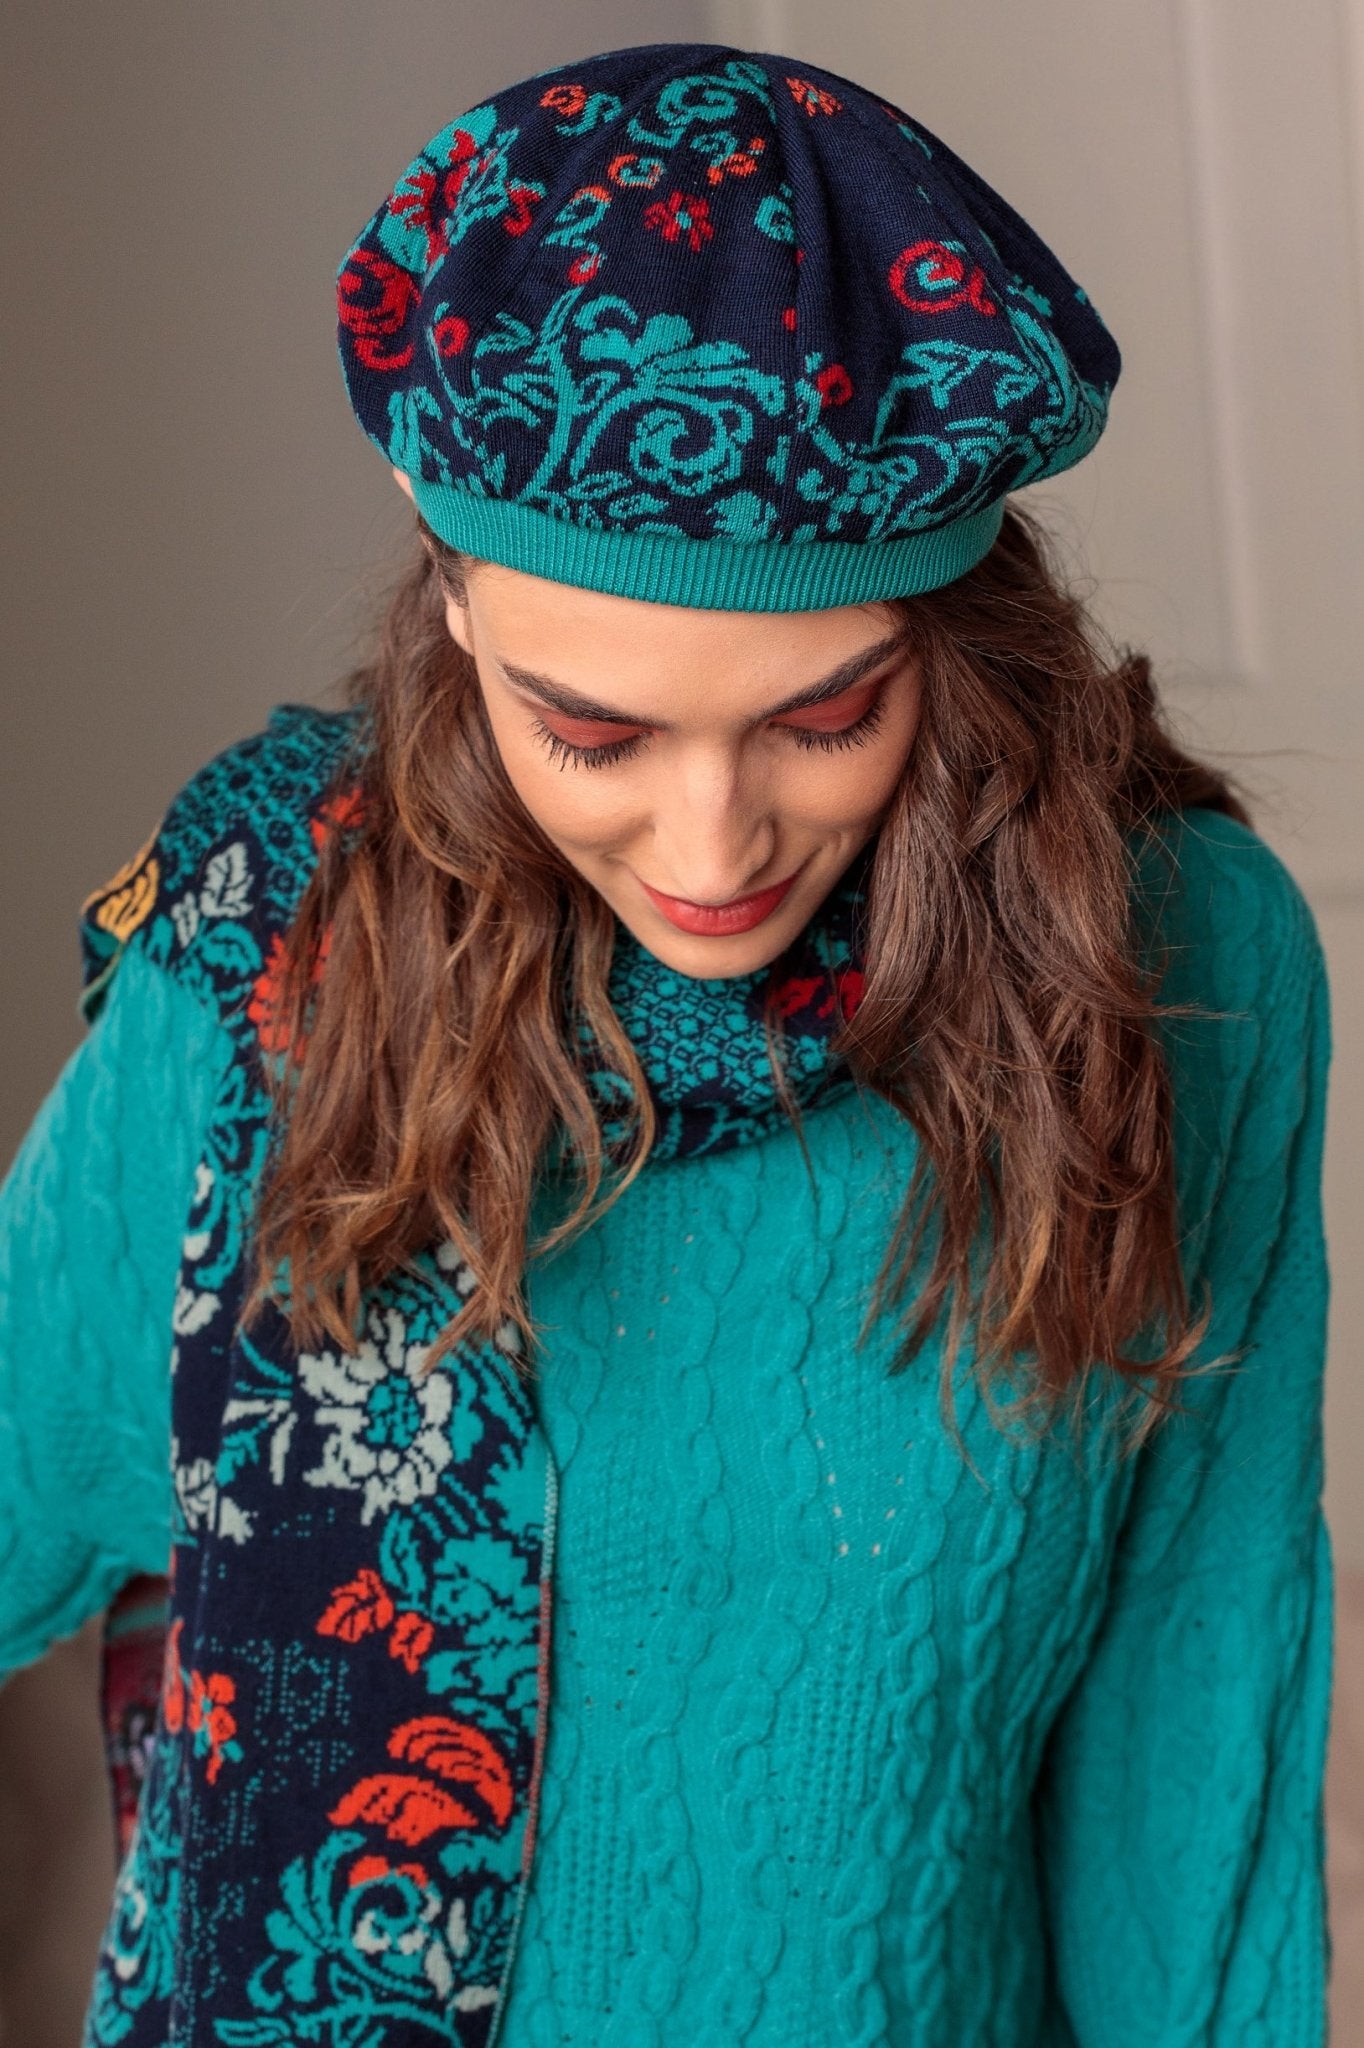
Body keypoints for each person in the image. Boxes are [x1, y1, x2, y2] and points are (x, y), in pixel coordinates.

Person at [0, 38, 1334, 2048]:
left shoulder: (1178, 959)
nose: (712, 852)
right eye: (591, 733)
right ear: (456, 610)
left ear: (950, 631)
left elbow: (1197, 1717)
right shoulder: (266, 955)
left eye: (825, 718)